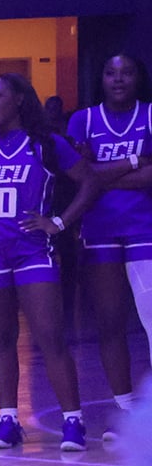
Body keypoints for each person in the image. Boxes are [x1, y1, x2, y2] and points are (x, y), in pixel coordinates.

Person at [0, 73, 98, 451]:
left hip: (33, 249)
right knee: (1, 338)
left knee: (50, 337)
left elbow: (90, 181)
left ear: (19, 99)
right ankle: (9, 420)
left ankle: (73, 422)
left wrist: (59, 222)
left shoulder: (46, 144)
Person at [67, 53, 152, 440]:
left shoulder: (150, 115)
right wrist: (135, 161)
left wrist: (101, 176)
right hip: (98, 231)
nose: (118, 78)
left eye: (127, 71)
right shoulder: (82, 121)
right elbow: (80, 177)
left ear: (138, 77)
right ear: (100, 77)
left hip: (144, 230)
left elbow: (98, 176)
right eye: (110, 71)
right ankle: (125, 412)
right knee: (110, 324)